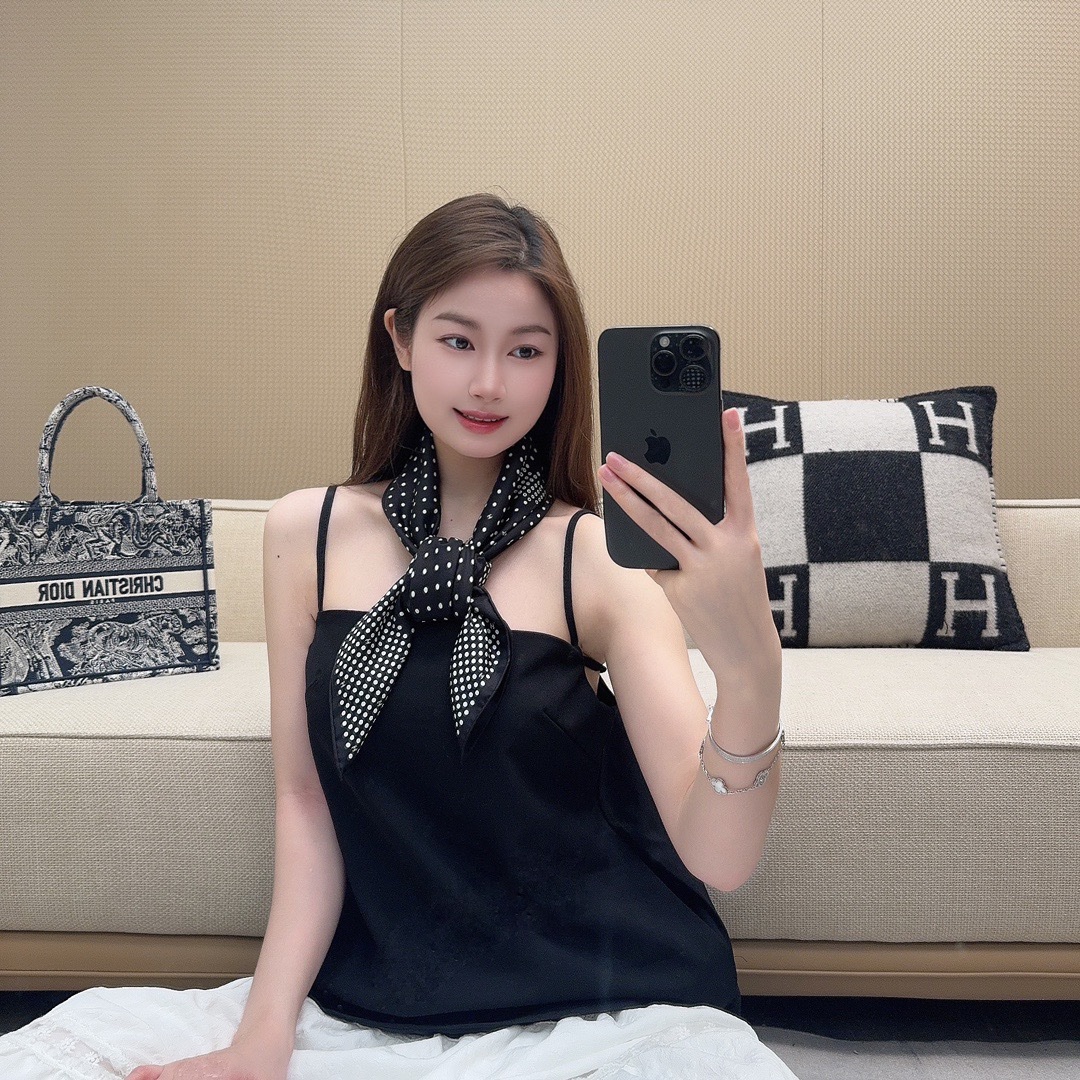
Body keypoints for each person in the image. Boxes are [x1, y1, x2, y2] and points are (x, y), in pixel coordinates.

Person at [0, 194, 795, 1079]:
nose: (488, 382)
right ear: (401, 339)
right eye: (458, 340)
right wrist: (260, 1038)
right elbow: (308, 807)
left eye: (526, 351)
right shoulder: (306, 534)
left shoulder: (595, 558)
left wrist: (749, 669)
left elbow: (719, 857)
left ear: (559, 366)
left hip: (607, 999)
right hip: (382, 998)